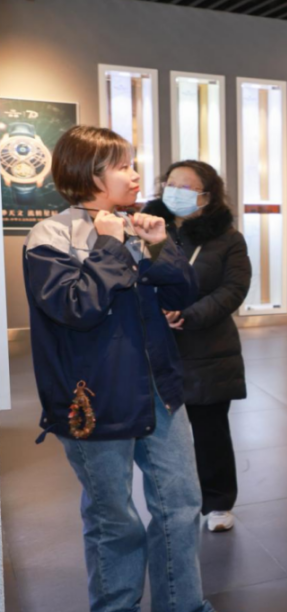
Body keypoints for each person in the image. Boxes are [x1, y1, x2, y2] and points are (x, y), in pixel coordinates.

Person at [23, 125, 213, 611]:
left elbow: (182, 293)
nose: (135, 175)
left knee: (181, 505)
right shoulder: (51, 235)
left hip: (159, 389)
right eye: (124, 166)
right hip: (94, 398)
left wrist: (159, 246)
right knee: (114, 519)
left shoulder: (138, 224)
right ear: (91, 173)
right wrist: (109, 247)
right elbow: (76, 307)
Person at [143, 160, 252, 533]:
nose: (175, 192)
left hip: (208, 346)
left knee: (209, 431)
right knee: (160, 433)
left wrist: (189, 315)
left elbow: (233, 289)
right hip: (155, 344)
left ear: (207, 196)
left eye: (186, 187)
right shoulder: (146, 230)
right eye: (170, 183)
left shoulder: (227, 238)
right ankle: (169, 501)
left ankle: (218, 502)